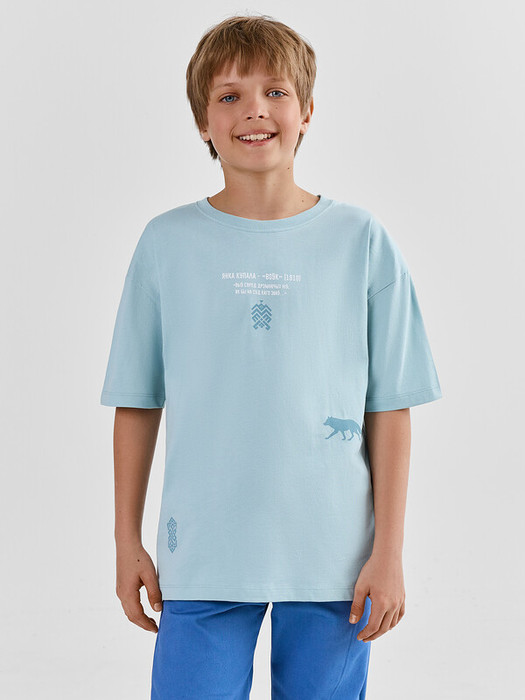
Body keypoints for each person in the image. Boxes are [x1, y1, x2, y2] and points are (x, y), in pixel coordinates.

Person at [100, 14, 443, 700]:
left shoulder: (360, 240)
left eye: (275, 92)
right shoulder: (166, 244)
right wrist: (125, 540)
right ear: (203, 122)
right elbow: (137, 401)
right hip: (200, 555)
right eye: (229, 95)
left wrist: (389, 552)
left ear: (307, 111)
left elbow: (388, 408)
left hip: (334, 562)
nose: (254, 110)